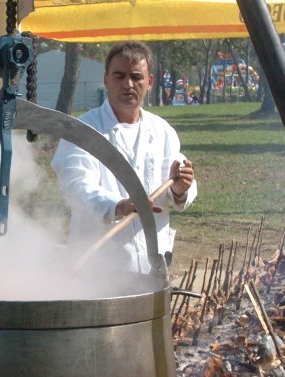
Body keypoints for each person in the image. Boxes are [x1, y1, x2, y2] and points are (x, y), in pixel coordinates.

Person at [51, 41, 197, 273]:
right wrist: (118, 206)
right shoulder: (83, 130)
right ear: (106, 79)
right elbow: (75, 185)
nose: (128, 84)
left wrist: (180, 188)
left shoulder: (162, 131)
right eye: (119, 76)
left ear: (149, 82)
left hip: (152, 267)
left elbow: (174, 182)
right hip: (99, 269)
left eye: (136, 77)